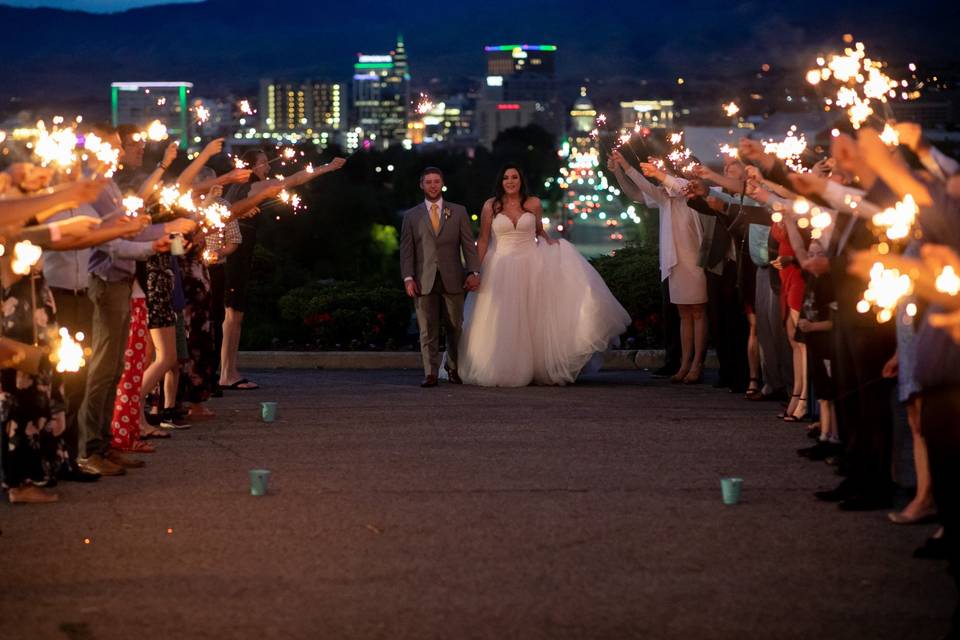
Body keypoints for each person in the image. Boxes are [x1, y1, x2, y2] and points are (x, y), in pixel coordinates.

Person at [454, 164, 630, 387]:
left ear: (521, 180)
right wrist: (475, 270)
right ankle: (503, 367)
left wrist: (551, 242)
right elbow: (484, 239)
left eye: (514, 177)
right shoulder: (491, 206)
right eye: (506, 178)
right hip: (500, 267)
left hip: (531, 264)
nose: (510, 181)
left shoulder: (533, 203)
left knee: (533, 318)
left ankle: (538, 366)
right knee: (502, 318)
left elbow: (537, 229)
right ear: (501, 182)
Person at [220, 148, 344, 391]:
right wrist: (329, 167)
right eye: (264, 163)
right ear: (252, 167)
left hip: (237, 253)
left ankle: (228, 371)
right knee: (233, 316)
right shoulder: (253, 186)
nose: (268, 167)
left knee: (233, 315)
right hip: (237, 255)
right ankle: (226, 373)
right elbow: (294, 179)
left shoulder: (235, 189)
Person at [612, 154, 708, 383]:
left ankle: (697, 363)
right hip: (675, 261)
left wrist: (645, 170)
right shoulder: (666, 197)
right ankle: (685, 363)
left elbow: (676, 185)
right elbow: (638, 192)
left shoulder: (691, 191)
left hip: (695, 260)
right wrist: (621, 169)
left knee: (698, 312)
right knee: (684, 314)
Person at [399, 167, 480, 387]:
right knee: (427, 329)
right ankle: (430, 373)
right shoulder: (411, 216)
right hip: (423, 279)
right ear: (421, 185)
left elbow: (468, 245)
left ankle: (452, 368)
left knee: (455, 327)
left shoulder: (458, 211)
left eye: (436, 182)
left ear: (442, 184)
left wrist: (473, 271)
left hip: (453, 277)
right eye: (428, 182)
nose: (433, 185)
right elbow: (406, 250)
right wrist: (408, 278)